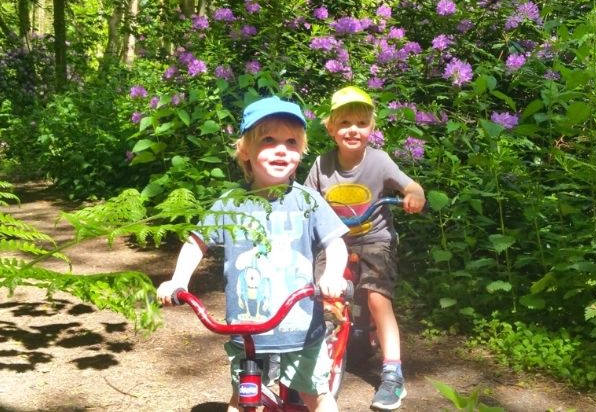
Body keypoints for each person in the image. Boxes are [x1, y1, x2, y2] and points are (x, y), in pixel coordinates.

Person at [157, 96, 350, 412]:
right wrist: (178, 281)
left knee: (318, 396)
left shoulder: (308, 201)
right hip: (247, 332)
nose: (281, 149)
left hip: (301, 331)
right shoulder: (230, 202)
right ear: (245, 150)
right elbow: (196, 242)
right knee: (243, 399)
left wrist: (331, 274)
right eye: (268, 140)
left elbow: (335, 243)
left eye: (291, 142)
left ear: (301, 151)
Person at [304, 85, 426, 411]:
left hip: (375, 239)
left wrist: (414, 195)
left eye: (360, 123)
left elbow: (410, 185)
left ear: (371, 128)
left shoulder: (380, 161)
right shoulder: (321, 165)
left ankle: (392, 373)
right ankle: (314, 360)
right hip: (334, 242)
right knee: (322, 294)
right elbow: (305, 200)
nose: (352, 130)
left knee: (376, 298)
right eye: (344, 123)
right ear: (330, 128)